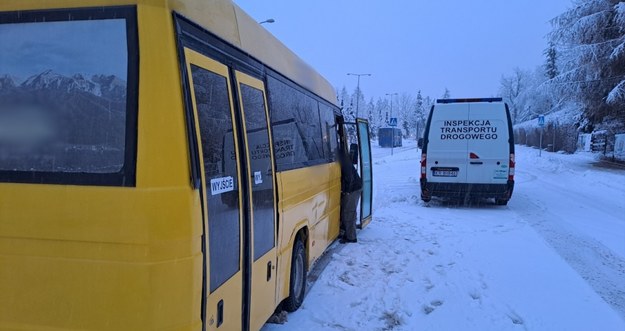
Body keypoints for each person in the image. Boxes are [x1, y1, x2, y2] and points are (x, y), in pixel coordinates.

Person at [339, 147, 362, 244]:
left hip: (353, 189)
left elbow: (349, 178)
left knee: (349, 212)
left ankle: (351, 237)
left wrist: (346, 191)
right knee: (347, 211)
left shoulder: (344, 161)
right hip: (352, 188)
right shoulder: (343, 159)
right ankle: (346, 232)